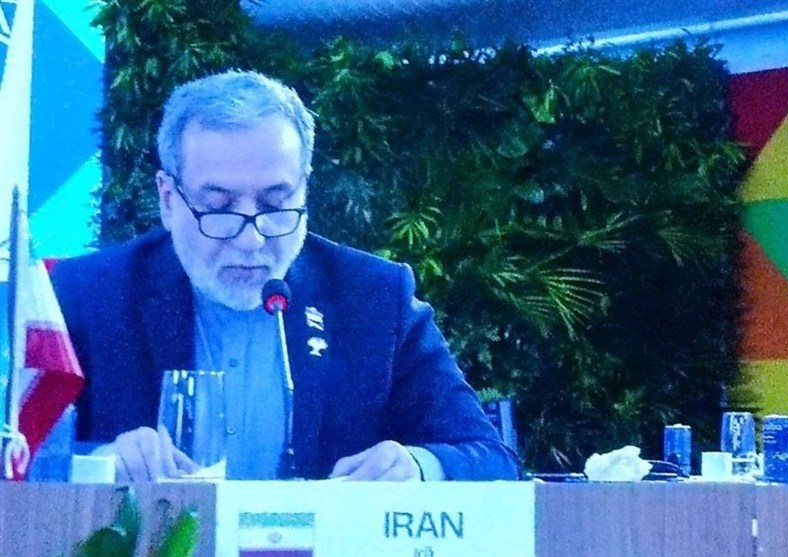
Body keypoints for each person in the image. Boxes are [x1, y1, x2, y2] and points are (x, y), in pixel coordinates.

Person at [51, 70, 519, 482]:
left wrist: (417, 466)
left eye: (276, 205)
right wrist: (100, 463)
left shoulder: (375, 297)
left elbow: (490, 458)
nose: (251, 239)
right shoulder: (84, 295)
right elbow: (22, 454)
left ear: (304, 189)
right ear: (168, 199)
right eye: (218, 207)